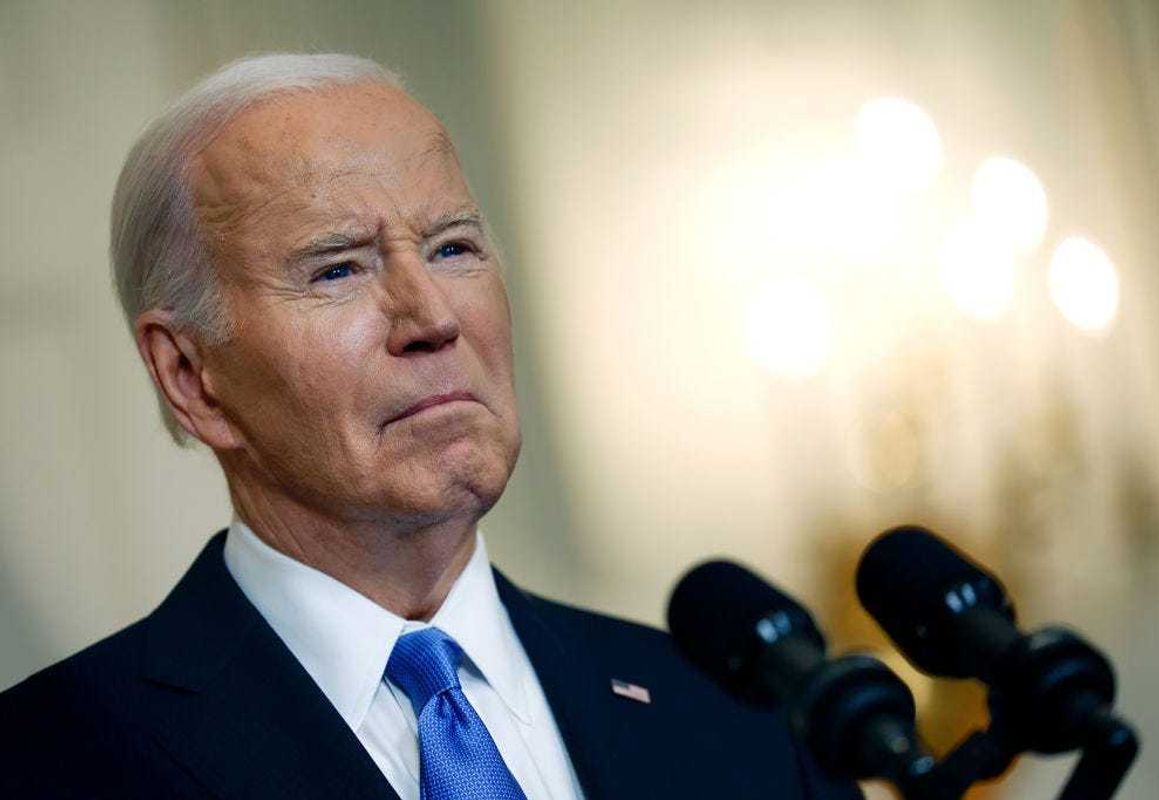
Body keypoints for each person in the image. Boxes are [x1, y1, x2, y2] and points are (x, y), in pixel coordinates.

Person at [0, 53, 861, 799]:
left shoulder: (735, 711)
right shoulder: (47, 762)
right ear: (193, 377)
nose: (431, 317)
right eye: (337, 269)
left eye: (453, 248)